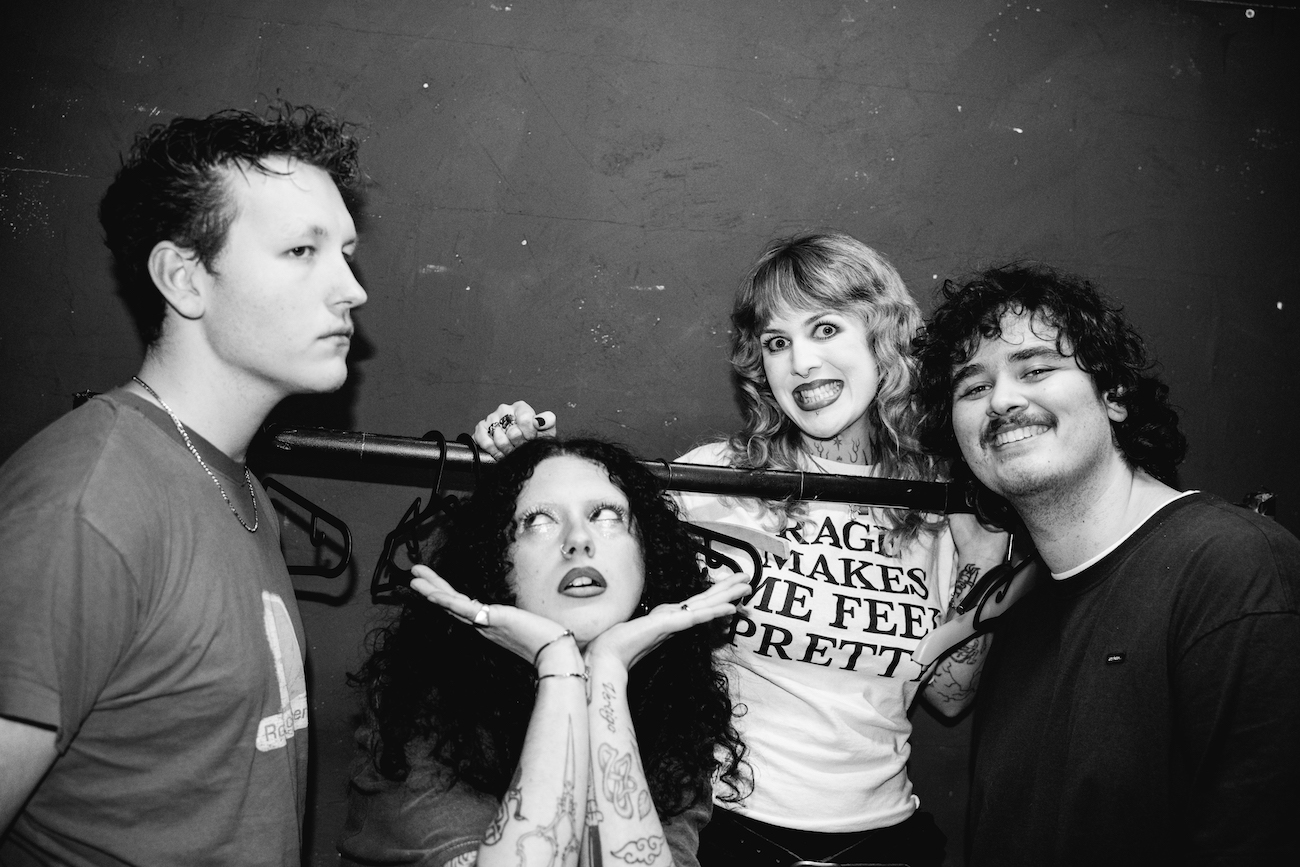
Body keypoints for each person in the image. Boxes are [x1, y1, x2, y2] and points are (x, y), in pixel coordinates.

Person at [473, 231, 1008, 867]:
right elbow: (576, 579)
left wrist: (982, 552)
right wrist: (521, 470)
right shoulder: (714, 484)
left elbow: (950, 693)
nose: (801, 362)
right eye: (777, 343)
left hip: (886, 842)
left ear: (881, 337)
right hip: (731, 835)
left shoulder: (933, 504)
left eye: (825, 329)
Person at [0, 104, 367, 865]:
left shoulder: (239, 488)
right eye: (302, 250)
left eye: (346, 251)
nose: (351, 289)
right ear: (184, 278)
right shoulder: (87, 504)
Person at [911, 263, 1300, 865]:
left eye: (1036, 369)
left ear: (1113, 395)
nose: (1003, 400)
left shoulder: (1233, 567)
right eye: (973, 388)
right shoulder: (1023, 609)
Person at [338, 437, 751, 867]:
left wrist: (607, 670)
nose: (578, 540)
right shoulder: (424, 700)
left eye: (606, 516)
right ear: (495, 561)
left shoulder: (671, 704)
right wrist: (559, 665)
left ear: (647, 553)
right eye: (538, 521)